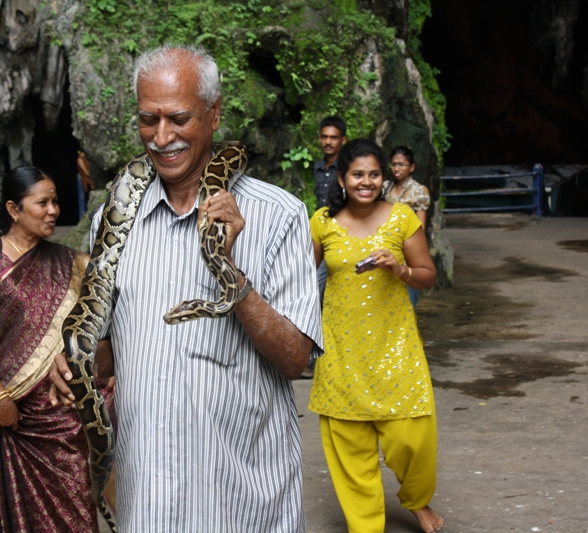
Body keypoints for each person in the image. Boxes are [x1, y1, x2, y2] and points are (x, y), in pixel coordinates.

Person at [48, 44, 323, 532]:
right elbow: (118, 346)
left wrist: (229, 271)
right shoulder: (113, 222)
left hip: (243, 496)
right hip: (149, 496)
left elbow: (296, 359)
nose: (161, 137)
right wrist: (77, 362)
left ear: (214, 115)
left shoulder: (279, 216)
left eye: (178, 119)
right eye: (146, 121)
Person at [309, 139, 444, 533]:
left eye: (373, 174)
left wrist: (400, 271)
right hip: (341, 350)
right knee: (349, 447)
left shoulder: (401, 218)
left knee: (412, 438)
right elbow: (298, 278)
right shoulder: (322, 222)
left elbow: (428, 275)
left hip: (395, 346)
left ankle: (417, 500)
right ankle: (365, 525)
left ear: (383, 177)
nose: (365, 182)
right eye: (357, 174)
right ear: (341, 178)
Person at [0, 166, 99, 532]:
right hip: (3, 407)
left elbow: (96, 331)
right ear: (14, 209)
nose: (53, 210)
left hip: (60, 414)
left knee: (73, 504)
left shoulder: (73, 264)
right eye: (42, 202)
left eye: (55, 202)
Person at [303, 116, 347, 378]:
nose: (328, 142)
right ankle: (311, 356)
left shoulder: (346, 170)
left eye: (333, 137)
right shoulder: (319, 168)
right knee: (313, 294)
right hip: (321, 236)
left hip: (341, 238)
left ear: (343, 140)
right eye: (324, 137)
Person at [382, 146, 431, 309]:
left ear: (412, 167)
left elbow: (420, 228)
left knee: (408, 301)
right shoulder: (385, 187)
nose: (396, 168)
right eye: (394, 164)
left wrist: (412, 249)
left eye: (402, 164)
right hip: (385, 247)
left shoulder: (418, 191)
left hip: (407, 250)